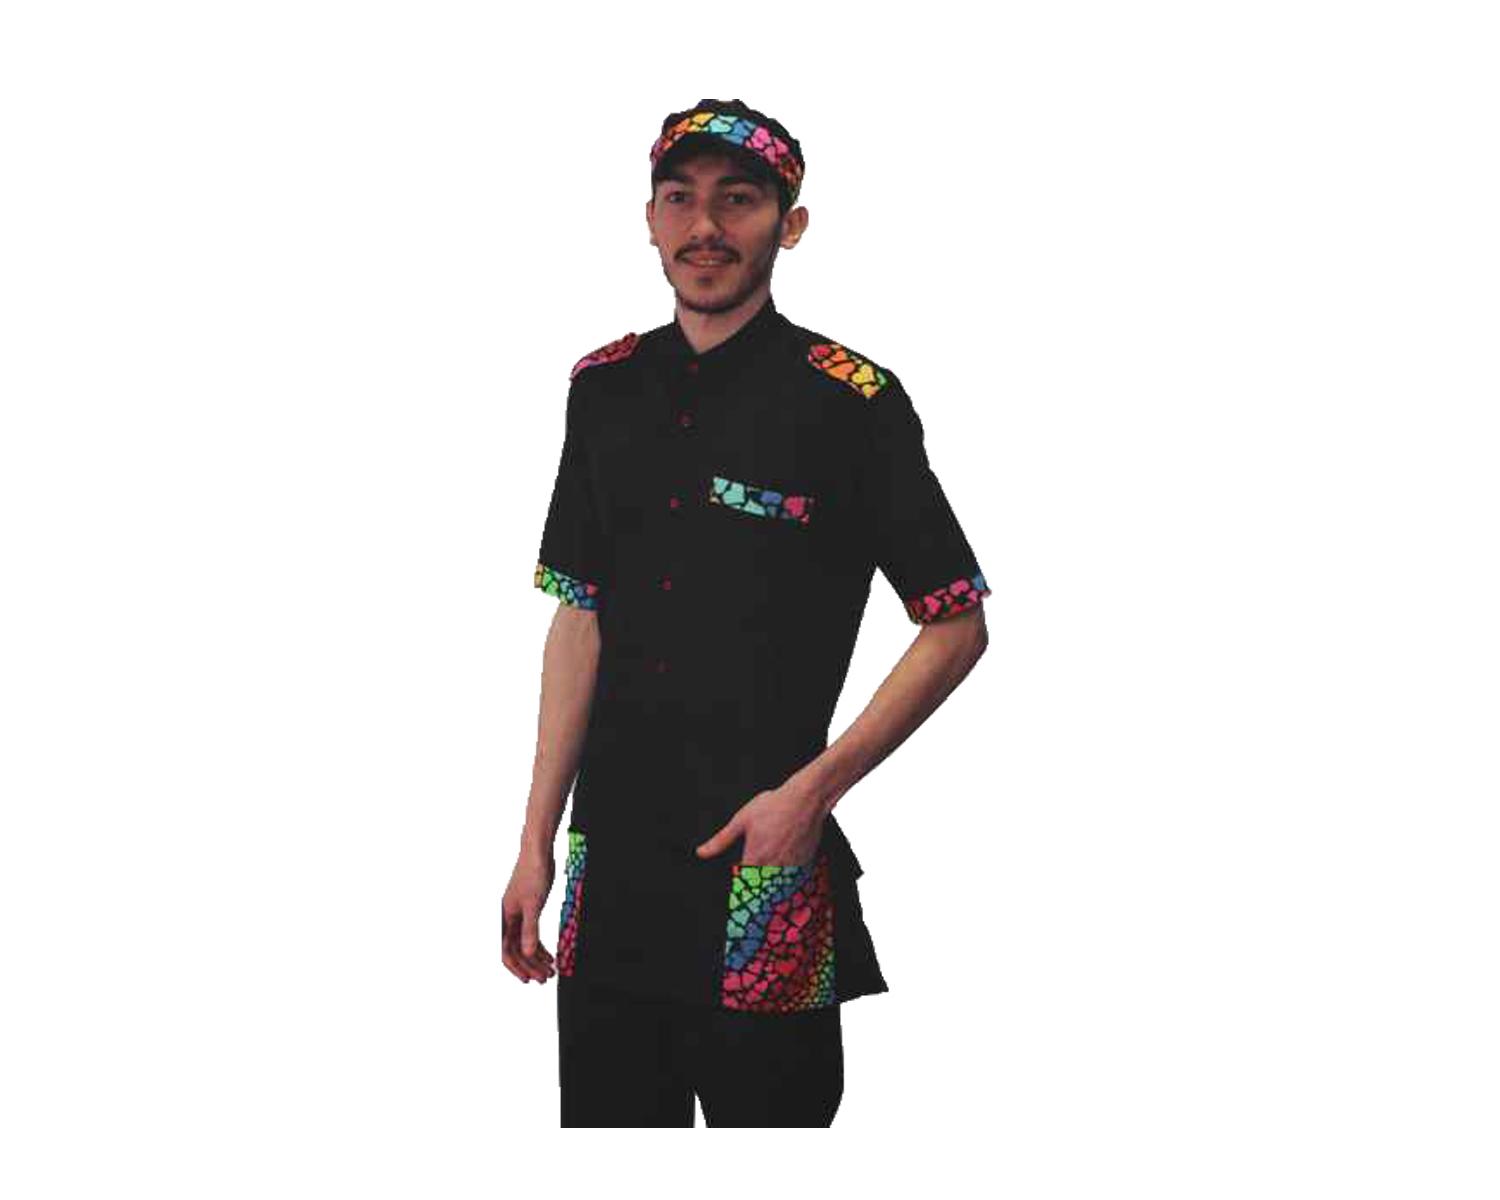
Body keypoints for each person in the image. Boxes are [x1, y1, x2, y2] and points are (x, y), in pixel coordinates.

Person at [501, 98, 992, 1127]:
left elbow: (955, 622)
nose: (705, 227)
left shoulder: (851, 401)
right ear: (649, 220)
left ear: (789, 224)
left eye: (739, 200)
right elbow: (579, 618)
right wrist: (536, 841)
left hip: (763, 872)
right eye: (680, 199)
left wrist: (812, 794)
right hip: (608, 878)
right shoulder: (602, 390)